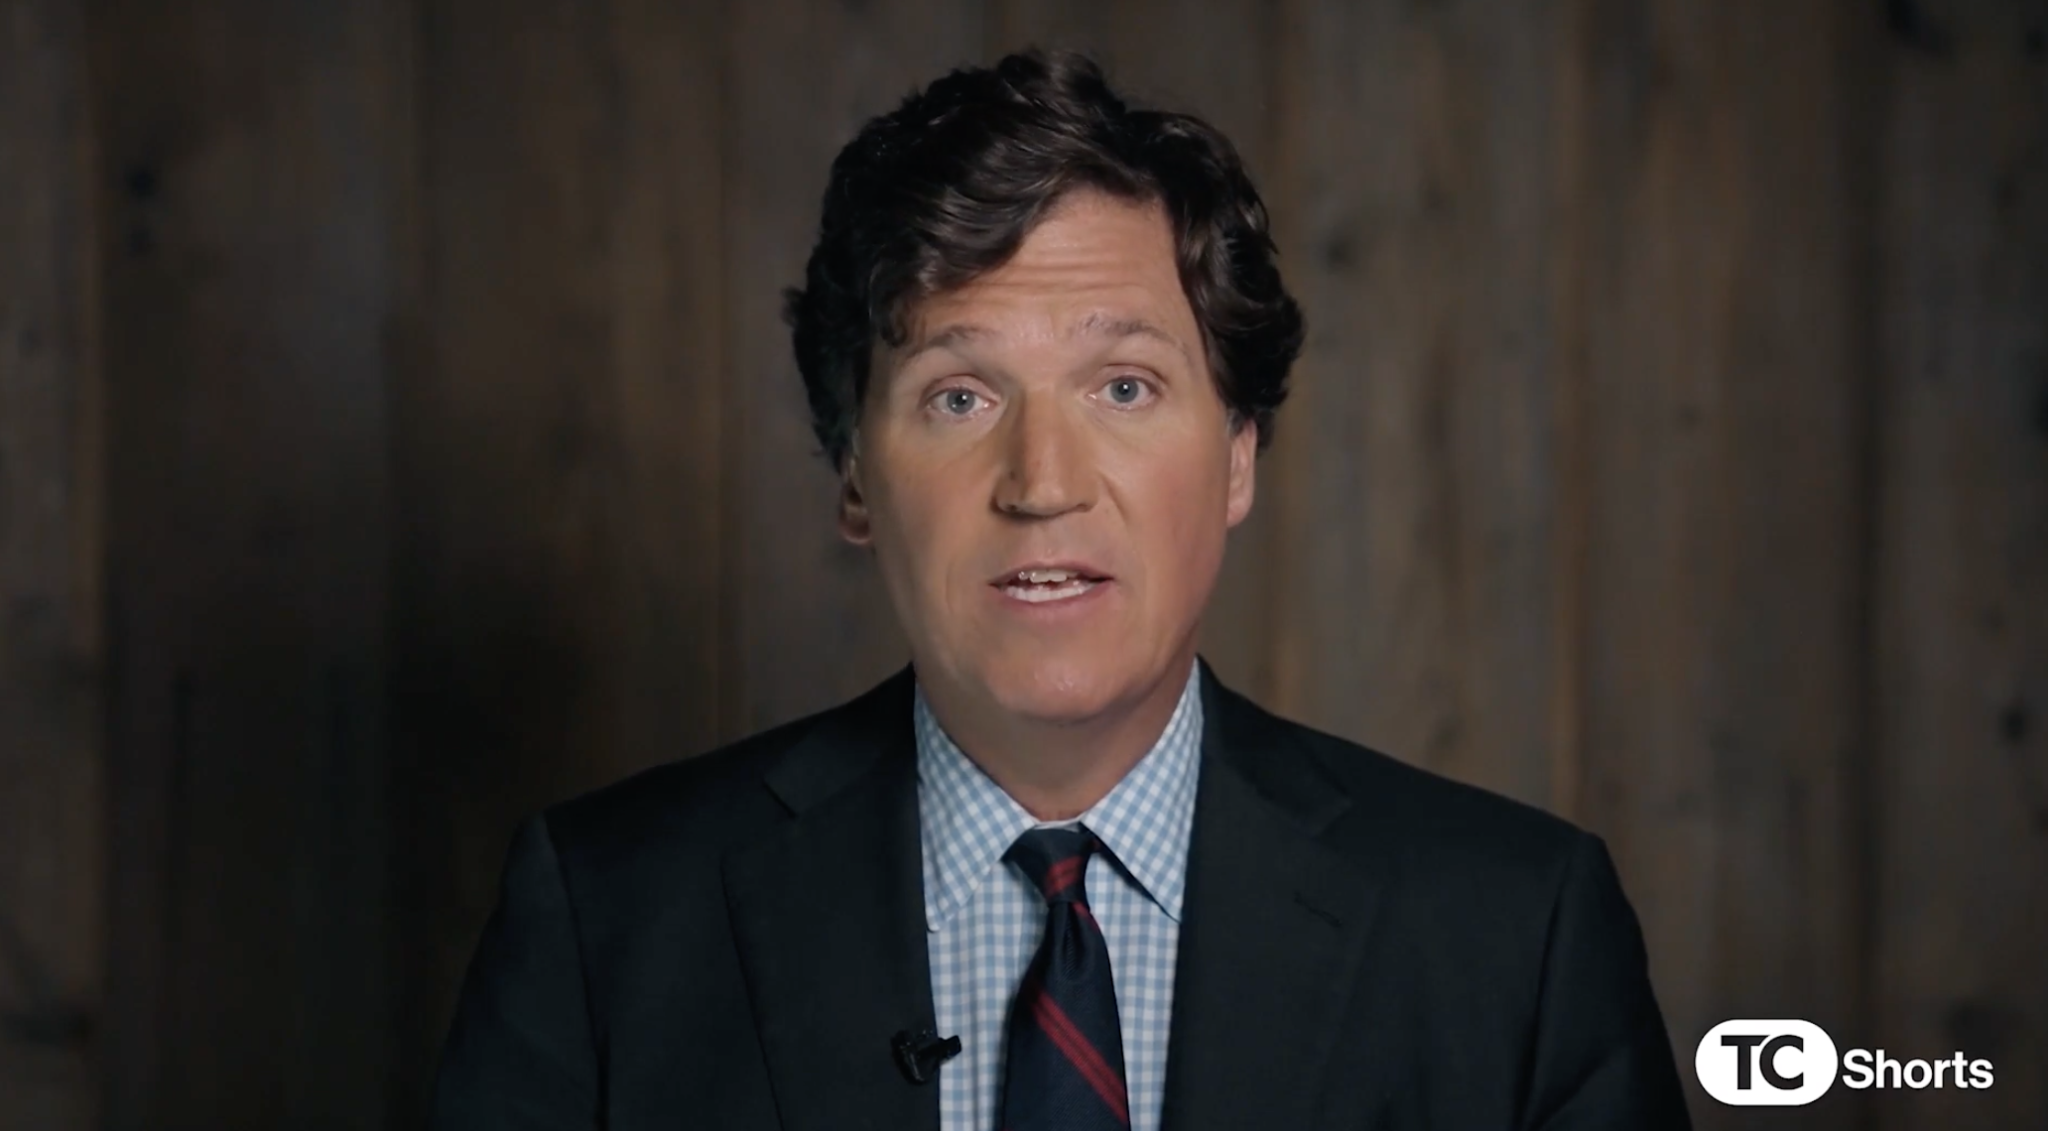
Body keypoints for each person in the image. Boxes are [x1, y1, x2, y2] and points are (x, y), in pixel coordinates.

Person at [430, 48, 1692, 1131]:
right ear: (855, 476)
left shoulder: (1514, 935)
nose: (1042, 482)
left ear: (1237, 456)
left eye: (1123, 387)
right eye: (958, 397)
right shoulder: (606, 922)